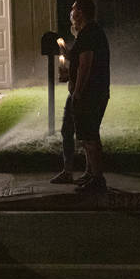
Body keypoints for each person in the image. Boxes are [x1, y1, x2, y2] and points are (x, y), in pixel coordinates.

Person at [68, 0, 111, 194]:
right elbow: (78, 62)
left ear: (81, 13)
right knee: (87, 135)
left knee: (90, 135)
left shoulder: (89, 34)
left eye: (74, 9)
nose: (71, 12)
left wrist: (77, 91)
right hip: (95, 91)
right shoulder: (88, 32)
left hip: (90, 93)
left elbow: (86, 64)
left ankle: (97, 179)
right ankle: (90, 172)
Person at [49, 31, 79, 185]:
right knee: (69, 131)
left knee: (86, 136)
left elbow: (84, 66)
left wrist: (75, 87)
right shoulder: (81, 40)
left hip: (79, 94)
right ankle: (70, 171)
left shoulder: (87, 39)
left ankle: (92, 174)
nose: (72, 24)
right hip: (74, 93)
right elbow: (75, 61)